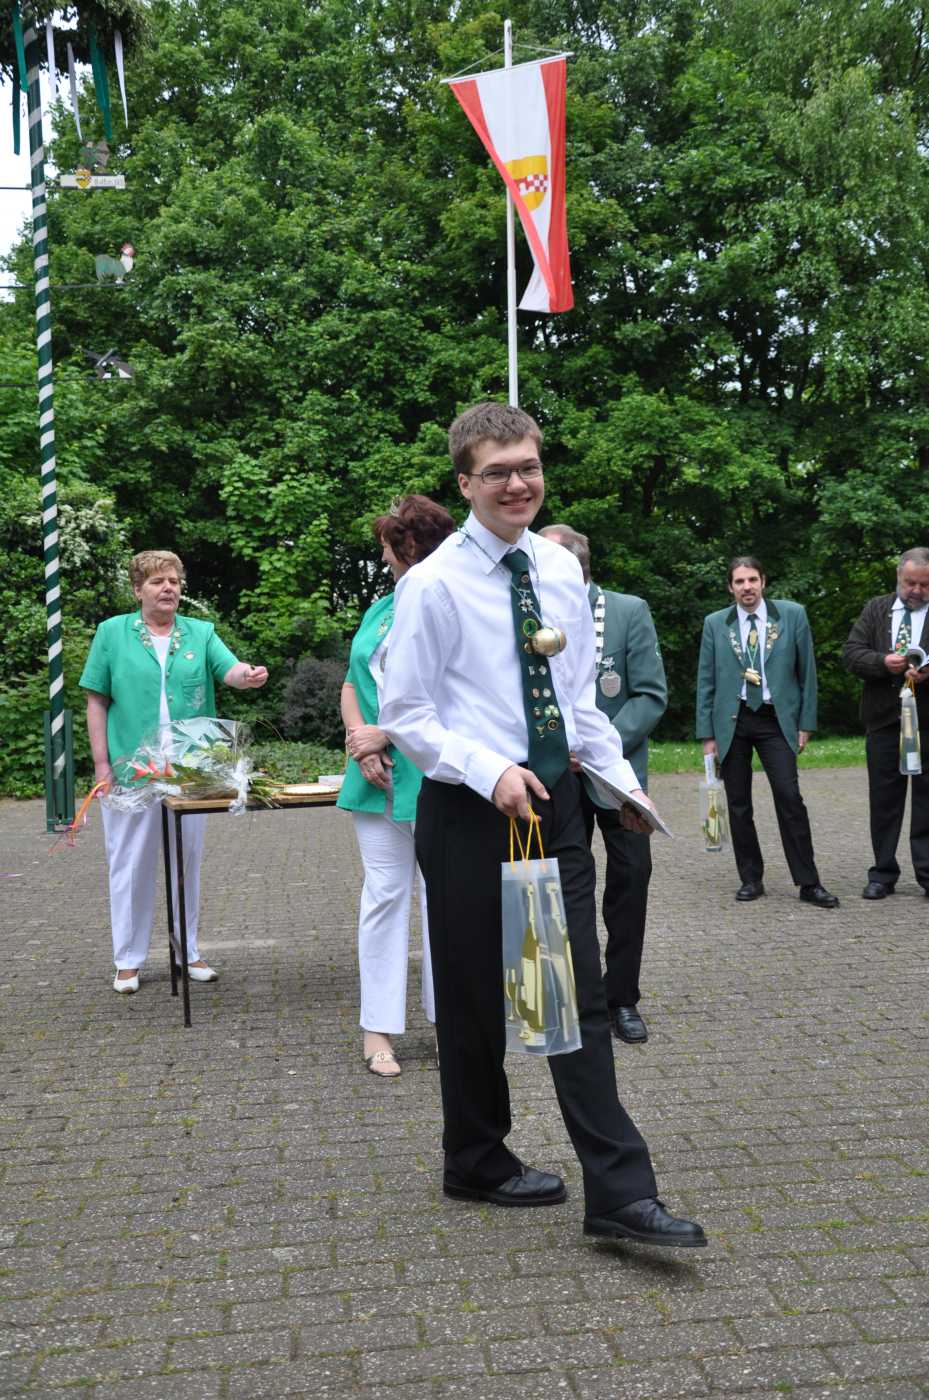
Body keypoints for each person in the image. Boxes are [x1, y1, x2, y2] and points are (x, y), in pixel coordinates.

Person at [379, 400, 705, 1249]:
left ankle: (619, 1193)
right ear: (465, 483)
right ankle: (475, 1159)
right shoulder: (432, 585)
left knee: (569, 995)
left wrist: (620, 786)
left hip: (552, 812)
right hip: (467, 814)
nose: (516, 484)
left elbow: (576, 701)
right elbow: (404, 712)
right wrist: (488, 769)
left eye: (527, 466)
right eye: (496, 472)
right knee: (473, 1003)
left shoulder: (559, 570)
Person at [80, 550, 268, 992]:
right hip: (132, 769)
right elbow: (96, 701)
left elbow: (229, 670)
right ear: (137, 590)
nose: (168, 588)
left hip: (191, 772)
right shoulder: (112, 633)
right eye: (157, 581)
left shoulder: (200, 632)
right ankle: (128, 961)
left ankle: (188, 950)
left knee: (186, 864)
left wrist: (247, 675)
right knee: (130, 865)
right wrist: (102, 765)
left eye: (174, 582)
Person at [337, 495, 456, 1077]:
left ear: (409, 547)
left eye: (386, 547)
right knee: (383, 898)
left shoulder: (452, 605)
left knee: (442, 902)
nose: (381, 558)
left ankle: (448, 1023)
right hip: (375, 781)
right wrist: (361, 740)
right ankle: (376, 1029)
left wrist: (387, 733)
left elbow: (459, 697)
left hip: (435, 777)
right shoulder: (380, 609)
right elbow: (351, 684)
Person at [539, 524, 666, 1045]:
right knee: (566, 886)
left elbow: (650, 696)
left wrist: (597, 747)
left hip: (617, 776)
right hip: (557, 776)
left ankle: (623, 998)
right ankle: (574, 994)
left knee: (630, 882)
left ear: (575, 566)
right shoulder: (530, 614)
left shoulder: (628, 611)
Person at [695, 556, 838, 907]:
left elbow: (807, 673)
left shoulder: (792, 615)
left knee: (790, 797)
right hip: (733, 721)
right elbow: (706, 680)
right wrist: (707, 735)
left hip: (776, 720)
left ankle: (809, 882)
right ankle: (751, 879)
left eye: (752, 580)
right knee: (738, 803)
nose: (747, 587)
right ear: (730, 587)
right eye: (739, 581)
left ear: (763, 581)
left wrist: (805, 723)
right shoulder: (715, 623)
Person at [842, 547, 929, 898]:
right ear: (898, 577)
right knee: (883, 801)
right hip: (883, 721)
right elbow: (852, 653)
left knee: (927, 801)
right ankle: (882, 873)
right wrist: (882, 662)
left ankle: (927, 874)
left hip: (926, 723)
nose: (916, 590)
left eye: (924, 585)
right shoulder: (876, 609)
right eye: (910, 583)